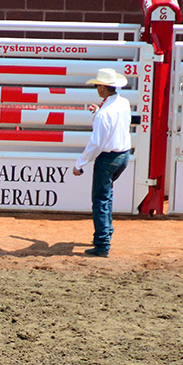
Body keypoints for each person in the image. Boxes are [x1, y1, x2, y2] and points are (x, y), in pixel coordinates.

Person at [72, 67, 133, 257]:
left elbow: (96, 143)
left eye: (98, 85)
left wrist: (80, 163)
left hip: (108, 158)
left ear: (103, 88)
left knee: (100, 200)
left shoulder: (104, 113)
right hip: (123, 155)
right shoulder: (123, 103)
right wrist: (99, 111)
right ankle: (105, 235)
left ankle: (102, 244)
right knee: (106, 197)